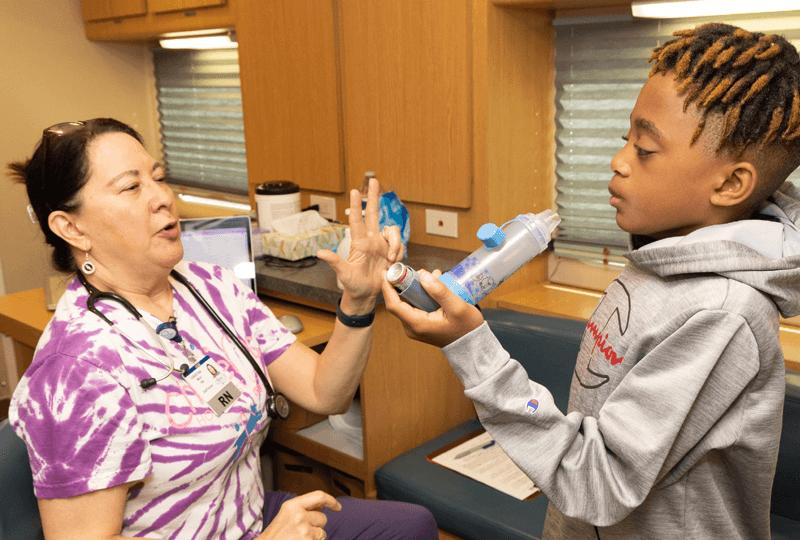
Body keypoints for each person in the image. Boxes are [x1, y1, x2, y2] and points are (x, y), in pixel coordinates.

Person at [382, 23, 800, 540]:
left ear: (731, 183)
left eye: (645, 149)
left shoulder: (723, 315)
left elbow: (599, 481)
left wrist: (472, 347)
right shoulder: (662, 258)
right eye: (626, 138)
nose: (619, 160)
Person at [8, 118, 438, 540]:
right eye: (131, 187)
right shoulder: (75, 371)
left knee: (413, 525)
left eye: (158, 178)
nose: (163, 197)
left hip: (246, 518)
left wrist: (359, 301)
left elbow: (324, 391)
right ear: (72, 227)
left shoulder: (209, 288)